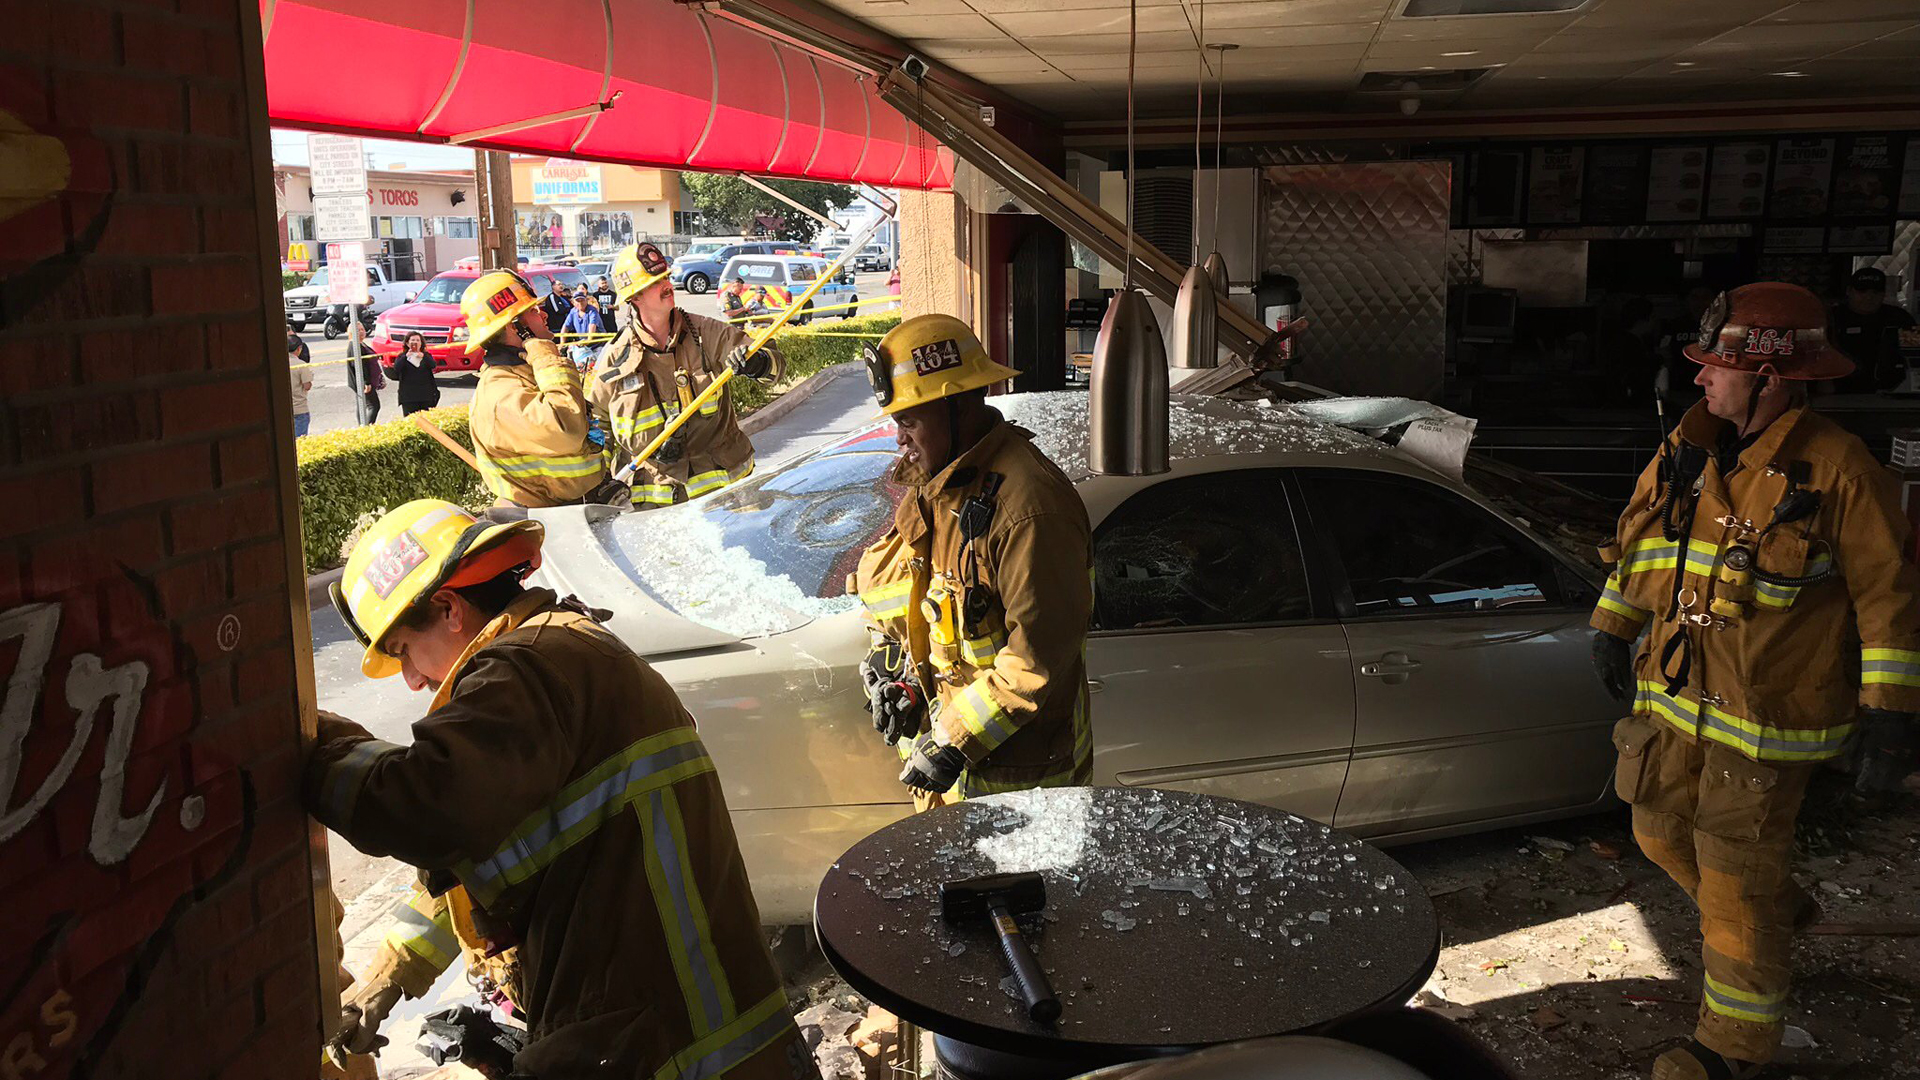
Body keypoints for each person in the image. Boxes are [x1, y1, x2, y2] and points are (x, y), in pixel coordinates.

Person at [309, 500, 818, 1080]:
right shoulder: (562, 651)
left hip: (672, 1049)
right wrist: (390, 974)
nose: (414, 678)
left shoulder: (526, 669)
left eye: (403, 649)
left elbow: (420, 806)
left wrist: (305, 739)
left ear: (450, 608)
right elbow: (476, 853)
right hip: (700, 1032)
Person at [1588, 282, 1920, 1080]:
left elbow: (1890, 596)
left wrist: (1892, 713)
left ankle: (1731, 1051)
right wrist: (1612, 624)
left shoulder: (1838, 471)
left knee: (1734, 883)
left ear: (1769, 379)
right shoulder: (1686, 449)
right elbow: (1641, 545)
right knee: (1657, 832)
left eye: (1715, 367)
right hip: (1675, 705)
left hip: (1766, 721)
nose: (1699, 379)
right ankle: (1778, 911)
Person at [849, 314, 1093, 809]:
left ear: (958, 405)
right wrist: (891, 671)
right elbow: (898, 591)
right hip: (955, 785)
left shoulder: (1029, 510)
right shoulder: (939, 489)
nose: (899, 439)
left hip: (1028, 793)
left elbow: (1034, 660)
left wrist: (951, 741)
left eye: (909, 421)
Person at [588, 242, 783, 509]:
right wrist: (599, 481)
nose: (667, 285)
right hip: (655, 506)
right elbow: (598, 424)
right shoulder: (615, 357)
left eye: (666, 276)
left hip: (726, 498)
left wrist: (758, 363)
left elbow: (775, 366)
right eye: (656, 282)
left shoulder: (707, 333)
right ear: (634, 297)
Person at [461, 269, 605, 508]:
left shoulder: (525, 373)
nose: (545, 314)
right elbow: (567, 429)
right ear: (515, 327)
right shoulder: (502, 391)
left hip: (562, 512)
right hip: (538, 522)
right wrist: (547, 359)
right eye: (534, 311)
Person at [1829, 267, 1916, 394]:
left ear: (1884, 293)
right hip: (1840, 390)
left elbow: (1913, 356)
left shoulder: (1899, 318)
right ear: (1849, 291)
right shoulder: (1832, 318)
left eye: (1876, 292)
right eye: (1862, 291)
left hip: (1891, 391)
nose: (1869, 297)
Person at [1596, 296, 1660, 407]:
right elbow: (1636, 374)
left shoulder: (1626, 341)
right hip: (1626, 402)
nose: (1656, 321)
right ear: (1644, 319)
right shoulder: (1628, 344)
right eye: (1653, 316)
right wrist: (1658, 359)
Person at [392, 330, 442, 416]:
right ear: (407, 343)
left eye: (418, 340)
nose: (415, 342)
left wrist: (423, 356)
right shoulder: (402, 356)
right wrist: (406, 356)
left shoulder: (426, 355)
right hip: (409, 396)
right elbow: (397, 368)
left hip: (426, 394)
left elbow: (433, 365)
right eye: (412, 340)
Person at [560, 290, 605, 368]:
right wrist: (562, 343)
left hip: (598, 344)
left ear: (586, 300)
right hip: (584, 345)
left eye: (582, 300)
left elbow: (592, 325)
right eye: (577, 301)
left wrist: (589, 339)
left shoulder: (592, 311)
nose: (580, 303)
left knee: (594, 366)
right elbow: (565, 327)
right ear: (573, 303)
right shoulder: (573, 311)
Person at [353, 322, 384, 425]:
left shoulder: (362, 344)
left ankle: (363, 426)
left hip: (370, 381)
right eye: (358, 330)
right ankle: (366, 428)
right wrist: (366, 382)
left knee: (363, 405)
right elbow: (362, 366)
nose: (361, 332)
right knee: (374, 405)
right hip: (365, 383)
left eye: (362, 329)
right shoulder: (356, 347)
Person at [288, 334, 314, 437]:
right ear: (299, 349)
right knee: (299, 442)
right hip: (299, 409)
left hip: (282, 409)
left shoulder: (279, 363)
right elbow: (307, 386)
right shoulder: (300, 364)